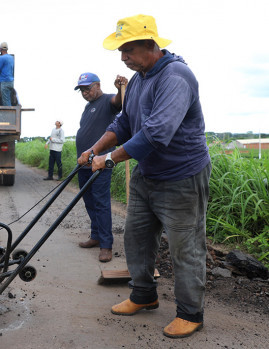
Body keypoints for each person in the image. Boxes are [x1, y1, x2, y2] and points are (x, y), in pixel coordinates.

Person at [77, 14, 211, 338]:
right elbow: (123, 124)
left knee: (185, 248)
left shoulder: (176, 77)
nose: (123, 57)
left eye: (129, 49)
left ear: (151, 44)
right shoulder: (139, 79)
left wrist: (108, 159)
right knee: (135, 238)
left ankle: (191, 313)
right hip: (146, 175)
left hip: (181, 177)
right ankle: (143, 295)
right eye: (121, 50)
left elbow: (155, 134)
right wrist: (93, 150)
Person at [74, 72, 127, 263]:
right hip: (84, 164)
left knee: (101, 203)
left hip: (101, 163)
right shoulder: (88, 107)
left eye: (87, 88)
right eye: (82, 90)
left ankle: (106, 245)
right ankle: (95, 236)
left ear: (98, 85)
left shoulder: (107, 101)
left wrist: (120, 89)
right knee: (89, 201)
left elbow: (118, 102)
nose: (85, 93)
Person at [0, 42, 15, 106]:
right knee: (8, 99)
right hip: (11, 82)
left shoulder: (2, 58)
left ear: (1, 49)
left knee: (6, 102)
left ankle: (9, 115)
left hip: (5, 82)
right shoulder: (11, 58)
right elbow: (4, 69)